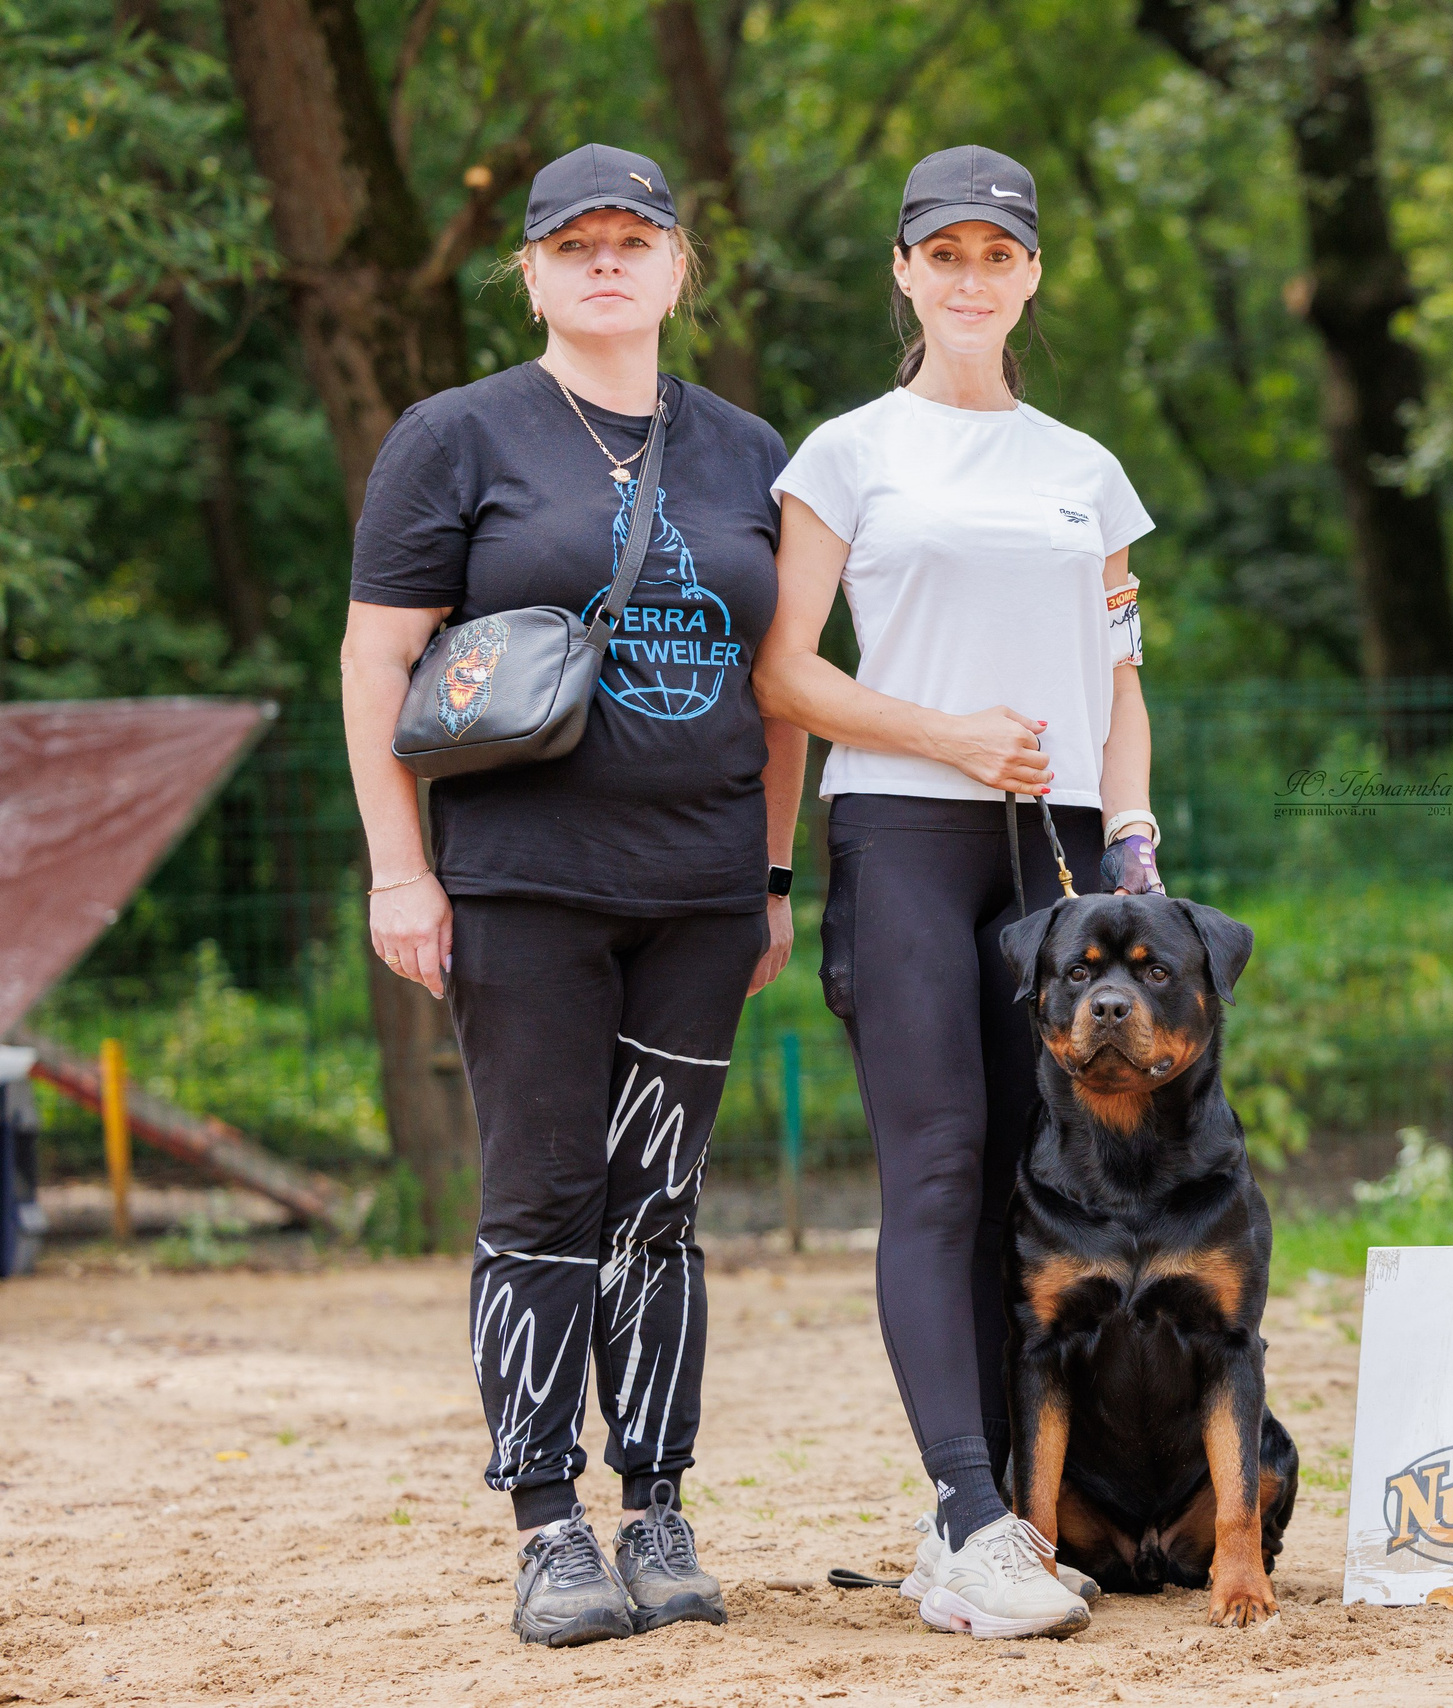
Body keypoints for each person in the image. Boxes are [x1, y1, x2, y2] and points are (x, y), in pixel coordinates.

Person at [341, 143, 799, 1648]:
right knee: (543, 1198)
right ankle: (548, 1521)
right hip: (522, 882)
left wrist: (776, 874)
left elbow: (778, 689)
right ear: (530, 270)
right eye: (575, 243)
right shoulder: (457, 435)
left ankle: (658, 1508)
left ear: (679, 268)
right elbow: (374, 661)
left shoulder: (747, 449)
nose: (607, 263)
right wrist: (399, 868)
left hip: (703, 885)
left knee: (660, 1206)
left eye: (634, 240)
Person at [753, 144, 1165, 1642]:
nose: (973, 277)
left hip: (1054, 856)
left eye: (1000, 255)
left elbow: (1122, 682)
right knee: (936, 1169)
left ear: (1033, 274)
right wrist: (944, 736)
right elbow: (783, 670)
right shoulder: (848, 451)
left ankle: (999, 1517)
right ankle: (967, 1511)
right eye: (946, 254)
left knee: (1033, 1187)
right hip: (908, 837)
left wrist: (1134, 838)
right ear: (905, 273)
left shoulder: (1086, 471)